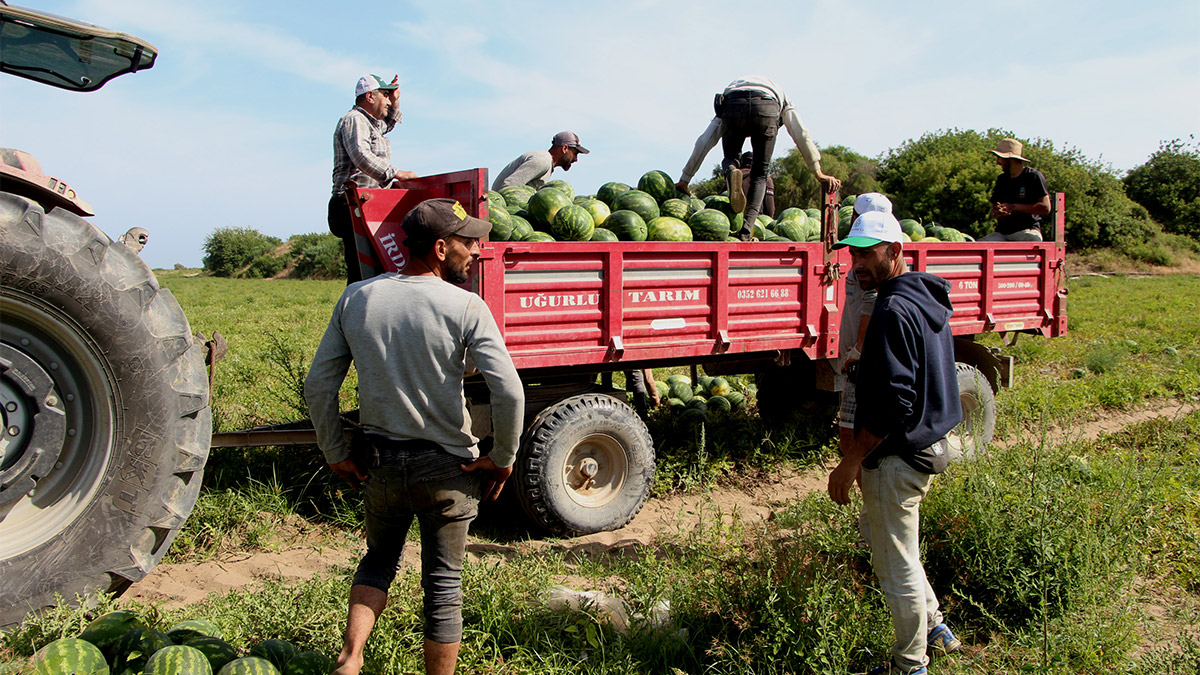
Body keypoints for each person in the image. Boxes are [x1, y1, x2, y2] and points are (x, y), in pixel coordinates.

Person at [304, 198, 525, 675]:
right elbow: (507, 388)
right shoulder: (466, 305)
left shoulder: (357, 298)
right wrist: (503, 456)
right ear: (441, 248)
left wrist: (335, 451)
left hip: (380, 463)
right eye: (468, 242)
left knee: (379, 559)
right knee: (443, 583)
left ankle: (350, 657)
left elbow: (319, 383)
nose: (476, 250)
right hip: (447, 469)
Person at [826, 211, 964, 675]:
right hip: (923, 448)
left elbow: (894, 403)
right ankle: (938, 630)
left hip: (895, 457)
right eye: (854, 252)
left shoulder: (892, 309)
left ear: (896, 252)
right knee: (888, 541)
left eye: (869, 252)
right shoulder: (923, 297)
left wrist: (851, 461)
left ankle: (911, 665)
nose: (858, 262)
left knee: (895, 565)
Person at [675, 76, 841, 240]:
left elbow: (705, 141)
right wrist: (817, 170)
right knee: (760, 173)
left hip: (733, 103)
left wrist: (685, 179)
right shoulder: (783, 99)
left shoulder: (732, 91)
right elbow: (801, 134)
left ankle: (732, 170)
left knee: (731, 157)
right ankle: (746, 231)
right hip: (766, 106)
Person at [837, 194, 892, 544]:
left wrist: (857, 349)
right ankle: (873, 512)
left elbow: (871, 306)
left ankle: (874, 515)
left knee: (853, 439)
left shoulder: (873, 265)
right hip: (856, 358)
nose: (858, 257)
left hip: (861, 362)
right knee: (850, 437)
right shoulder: (865, 256)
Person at [329, 74, 419, 284]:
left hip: (366, 203)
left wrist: (396, 100)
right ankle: (357, 312)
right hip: (351, 204)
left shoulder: (371, 124)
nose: (388, 100)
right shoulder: (354, 120)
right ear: (370, 96)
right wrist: (397, 173)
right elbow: (361, 155)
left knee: (376, 271)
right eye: (385, 95)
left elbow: (388, 123)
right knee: (363, 273)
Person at [985, 137, 1050, 242]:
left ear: (1009, 159)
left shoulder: (1033, 176)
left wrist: (1013, 207)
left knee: (1032, 239)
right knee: (978, 248)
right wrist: (998, 212)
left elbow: (1046, 208)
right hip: (1002, 233)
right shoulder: (1002, 179)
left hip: (1027, 231)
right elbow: (996, 207)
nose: (997, 162)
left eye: (999, 158)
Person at [491, 131, 589, 191]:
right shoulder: (542, 160)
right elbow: (508, 188)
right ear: (564, 148)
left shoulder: (547, 163)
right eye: (575, 154)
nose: (576, 159)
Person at [739, 151, 775, 218]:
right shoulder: (766, 179)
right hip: (757, 220)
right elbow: (770, 209)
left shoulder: (733, 177)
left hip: (735, 220)